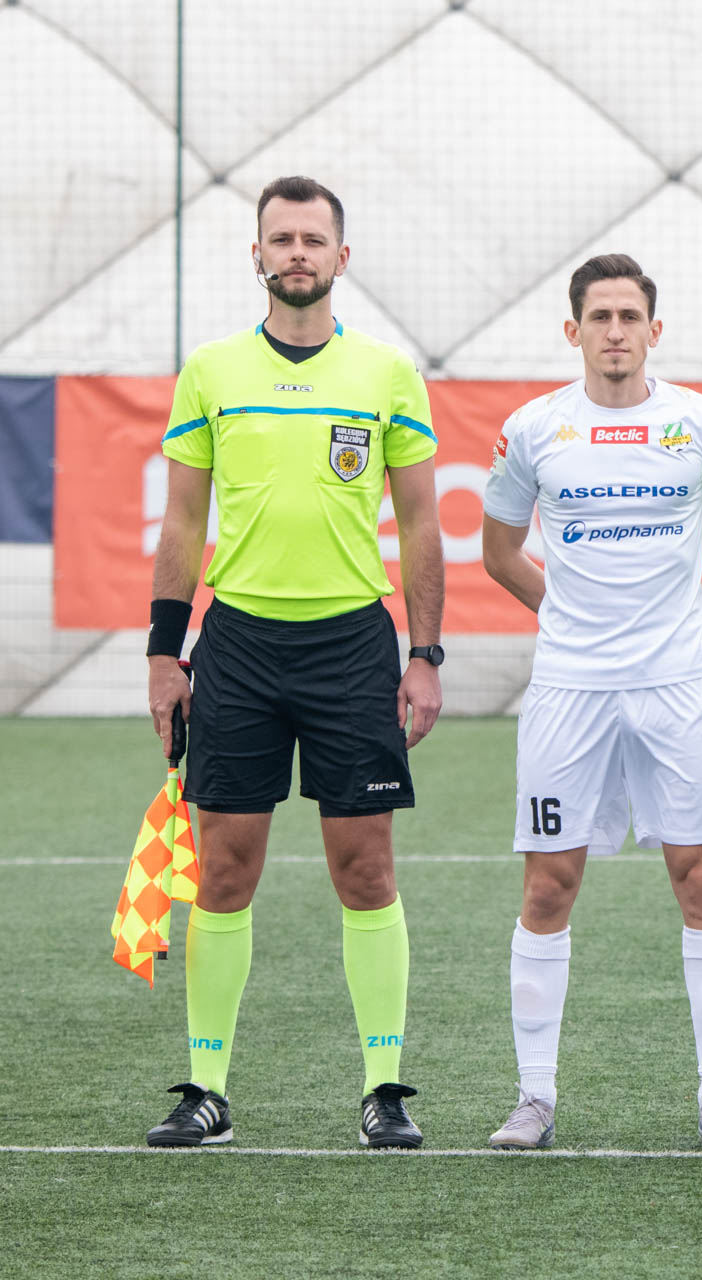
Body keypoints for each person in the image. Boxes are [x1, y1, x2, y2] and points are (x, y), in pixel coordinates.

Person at [143, 176, 445, 1148]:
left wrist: (425, 652)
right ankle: (206, 1088)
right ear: (258, 255)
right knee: (225, 869)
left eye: (315, 238)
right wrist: (163, 652)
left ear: (341, 258)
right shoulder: (211, 371)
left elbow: (422, 523)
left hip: (352, 646)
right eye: (283, 238)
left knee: (365, 867)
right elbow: (182, 520)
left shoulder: (387, 374)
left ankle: (384, 1088)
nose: (299, 252)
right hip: (237, 645)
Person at [479, 255, 702, 1152]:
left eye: (630, 316)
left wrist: (683, 622)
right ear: (573, 331)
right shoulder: (534, 429)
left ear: (655, 329)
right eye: (600, 317)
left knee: (701, 879)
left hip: (676, 688)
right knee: (549, 884)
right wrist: (569, 619)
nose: (616, 331)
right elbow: (499, 552)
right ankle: (533, 1098)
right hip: (568, 689)